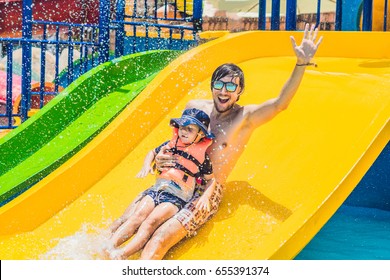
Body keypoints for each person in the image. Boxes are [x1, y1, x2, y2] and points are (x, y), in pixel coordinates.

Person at [130, 23, 324, 260]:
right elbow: (179, 143)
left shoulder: (245, 118)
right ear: (212, 86)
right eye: (220, 84)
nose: (224, 91)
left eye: (231, 86)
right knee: (132, 222)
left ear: (240, 91)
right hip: (178, 179)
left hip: (206, 191)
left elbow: (280, 104)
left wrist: (301, 64)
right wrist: (158, 160)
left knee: (158, 240)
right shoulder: (194, 107)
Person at [105, 108, 216, 260]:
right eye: (182, 127)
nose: (183, 131)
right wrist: (146, 165)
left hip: (175, 198)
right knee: (137, 216)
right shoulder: (171, 144)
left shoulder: (203, 158)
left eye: (189, 129)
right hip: (156, 191)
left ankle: (121, 255)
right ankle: (108, 247)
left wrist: (205, 197)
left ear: (201, 134)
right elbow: (152, 152)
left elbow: (211, 179)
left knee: (149, 223)